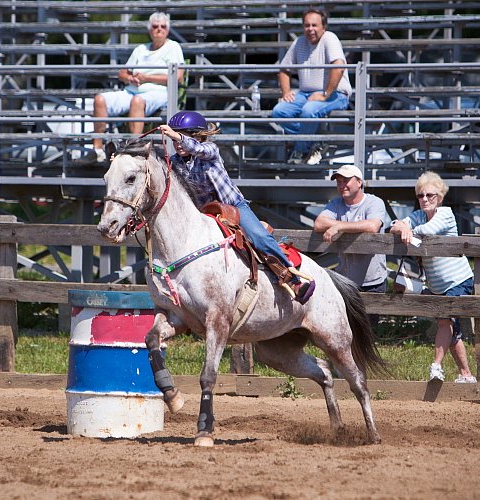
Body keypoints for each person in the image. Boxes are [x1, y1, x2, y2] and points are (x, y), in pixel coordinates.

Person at [158, 111, 315, 304]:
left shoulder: (210, 150)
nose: (178, 144)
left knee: (260, 237)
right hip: (204, 215)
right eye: (175, 139)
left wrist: (176, 135)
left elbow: (200, 150)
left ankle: (292, 279)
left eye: (184, 136)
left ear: (199, 136)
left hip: (233, 207)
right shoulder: (174, 163)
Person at [389, 171, 477, 384]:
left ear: (440, 197)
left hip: (458, 280)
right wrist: (401, 225)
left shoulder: (445, 214)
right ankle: (466, 375)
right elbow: (393, 225)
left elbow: (428, 231)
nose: (425, 199)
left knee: (444, 322)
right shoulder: (418, 215)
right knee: (450, 327)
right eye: (421, 196)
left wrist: (407, 228)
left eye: (430, 195)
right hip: (437, 285)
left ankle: (436, 367)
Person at [79, 12, 185, 164]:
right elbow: (122, 72)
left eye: (163, 26)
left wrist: (147, 78)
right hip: (132, 89)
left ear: (167, 30)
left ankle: (134, 150)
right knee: (100, 99)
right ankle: (97, 150)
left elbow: (178, 76)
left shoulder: (173, 47)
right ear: (150, 29)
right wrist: (130, 78)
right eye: (155, 26)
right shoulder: (141, 49)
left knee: (137, 101)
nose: (159, 29)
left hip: (159, 91)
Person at [271, 8, 352, 166]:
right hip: (305, 93)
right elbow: (284, 70)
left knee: (309, 110)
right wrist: (286, 92)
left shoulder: (330, 38)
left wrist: (325, 94)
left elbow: (339, 67)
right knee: (279, 111)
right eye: (307, 25)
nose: (310, 29)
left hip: (336, 94)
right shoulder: (299, 42)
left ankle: (301, 151)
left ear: (324, 26)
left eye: (314, 25)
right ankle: (314, 141)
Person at [313, 164, 390, 324]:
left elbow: (372, 226)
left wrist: (339, 226)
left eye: (346, 180)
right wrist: (340, 226)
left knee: (367, 330)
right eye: (339, 182)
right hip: (345, 280)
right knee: (344, 328)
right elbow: (319, 223)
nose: (342, 186)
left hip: (372, 280)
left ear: (359, 182)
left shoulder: (374, 202)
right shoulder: (336, 204)